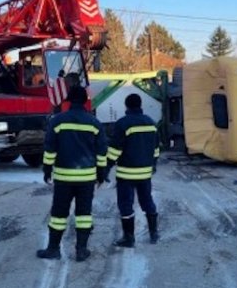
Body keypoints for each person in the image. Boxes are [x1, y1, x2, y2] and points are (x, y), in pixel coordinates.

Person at [37, 85, 107, 262]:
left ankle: (53, 249)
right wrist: (101, 174)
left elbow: (50, 148)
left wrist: (47, 170)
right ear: (85, 101)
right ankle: (81, 250)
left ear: (68, 100)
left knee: (59, 214)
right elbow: (101, 153)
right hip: (87, 178)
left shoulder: (58, 121)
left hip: (63, 178)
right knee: (84, 214)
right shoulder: (95, 123)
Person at [107, 94, 160, 247]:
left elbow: (115, 150)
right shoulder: (151, 123)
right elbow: (156, 149)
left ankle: (129, 238)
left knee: (126, 204)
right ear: (140, 105)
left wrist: (106, 168)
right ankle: (154, 233)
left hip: (126, 173)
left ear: (126, 106)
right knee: (147, 201)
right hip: (145, 173)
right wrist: (153, 165)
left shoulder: (122, 124)